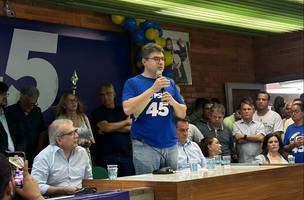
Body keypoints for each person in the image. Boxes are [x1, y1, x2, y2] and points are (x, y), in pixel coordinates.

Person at [122, 43, 186, 174]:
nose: (161, 62)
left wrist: (173, 101)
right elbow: (127, 109)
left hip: (171, 144)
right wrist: (153, 89)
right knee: (149, 189)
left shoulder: (170, 82)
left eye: (162, 59)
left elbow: (182, 113)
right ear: (144, 61)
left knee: (173, 189)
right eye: (156, 59)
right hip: (145, 146)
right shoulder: (133, 82)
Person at [31, 119, 92, 196]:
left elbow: (89, 180)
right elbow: (36, 187)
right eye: (71, 133)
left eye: (75, 132)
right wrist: (62, 190)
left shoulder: (82, 152)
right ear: (59, 140)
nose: (77, 136)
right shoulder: (44, 157)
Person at [91, 83, 134, 176]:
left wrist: (110, 128)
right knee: (111, 186)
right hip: (106, 155)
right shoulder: (98, 112)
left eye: (108, 93)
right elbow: (106, 128)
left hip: (125, 155)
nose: (105, 97)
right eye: (102, 95)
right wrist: (125, 122)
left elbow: (130, 128)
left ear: (114, 94)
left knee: (129, 183)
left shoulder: (123, 110)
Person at [5, 86, 47, 167]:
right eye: (28, 104)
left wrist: (39, 148)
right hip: (16, 155)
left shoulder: (37, 111)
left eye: (33, 104)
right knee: (18, 177)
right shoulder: (9, 112)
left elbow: (42, 131)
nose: (30, 107)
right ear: (21, 98)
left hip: (34, 153)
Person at [55, 91, 95, 158]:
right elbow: (57, 143)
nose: (74, 102)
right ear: (64, 105)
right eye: (70, 101)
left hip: (84, 156)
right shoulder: (60, 120)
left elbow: (91, 139)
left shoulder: (83, 117)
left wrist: (87, 143)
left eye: (75, 100)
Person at [233, 97, 265, 163]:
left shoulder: (259, 124)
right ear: (241, 112)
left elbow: (260, 138)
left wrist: (244, 137)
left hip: (258, 160)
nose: (246, 111)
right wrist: (254, 138)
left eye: (249, 109)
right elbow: (238, 138)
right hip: (242, 161)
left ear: (253, 111)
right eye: (244, 109)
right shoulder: (236, 125)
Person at [0, 82, 24, 152]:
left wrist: (18, 154)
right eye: (1, 94)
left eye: (5, 94)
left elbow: (22, 138)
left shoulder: (11, 115)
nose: (5, 97)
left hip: (17, 159)